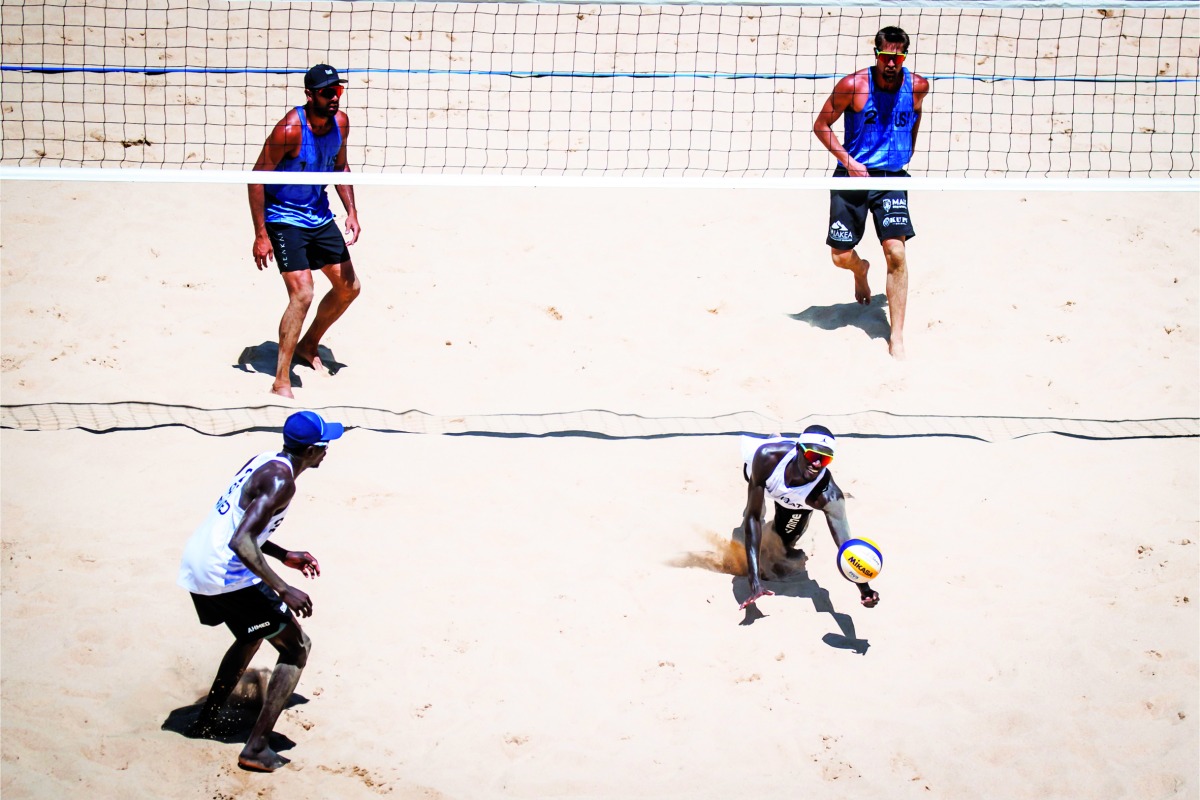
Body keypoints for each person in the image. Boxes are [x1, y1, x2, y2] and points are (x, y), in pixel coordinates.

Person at [177, 410, 344, 772]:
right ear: (313, 451)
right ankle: (255, 748)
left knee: (252, 635)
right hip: (226, 575)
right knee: (297, 648)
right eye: (325, 445)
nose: (328, 451)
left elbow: (241, 525)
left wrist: (284, 555)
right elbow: (242, 541)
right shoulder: (282, 483)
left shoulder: (265, 461)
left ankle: (206, 720)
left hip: (199, 561)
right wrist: (284, 589)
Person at [813, 26, 929, 360]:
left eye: (898, 57)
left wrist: (908, 149)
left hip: (891, 178)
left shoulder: (918, 86)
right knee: (839, 256)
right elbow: (821, 125)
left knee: (896, 253)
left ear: (904, 55)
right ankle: (860, 270)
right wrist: (848, 162)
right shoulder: (853, 86)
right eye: (886, 57)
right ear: (876, 54)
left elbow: (916, 116)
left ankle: (897, 336)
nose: (892, 63)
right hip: (853, 176)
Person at [249, 64, 362, 398]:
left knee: (349, 288)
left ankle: (308, 343)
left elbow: (340, 165)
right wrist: (260, 233)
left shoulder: (340, 124)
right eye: (327, 92)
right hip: (283, 217)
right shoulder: (290, 130)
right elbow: (257, 178)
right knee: (303, 293)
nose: (334, 98)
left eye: (337, 91)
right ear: (310, 94)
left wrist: (352, 210)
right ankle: (280, 380)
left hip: (318, 214)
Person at [739, 425, 879, 610]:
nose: (818, 464)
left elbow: (846, 547)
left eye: (825, 459)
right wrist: (754, 581)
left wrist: (865, 589)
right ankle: (775, 438)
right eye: (813, 456)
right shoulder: (767, 458)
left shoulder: (827, 496)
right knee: (755, 509)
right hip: (768, 474)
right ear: (799, 448)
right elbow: (753, 518)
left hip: (798, 501)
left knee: (784, 542)